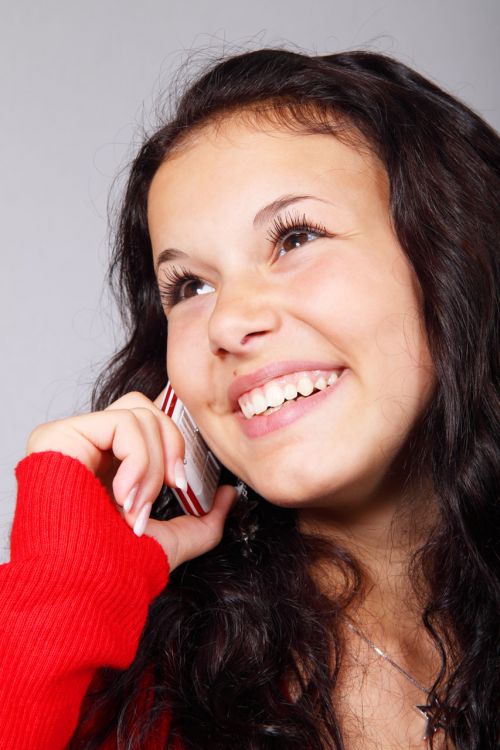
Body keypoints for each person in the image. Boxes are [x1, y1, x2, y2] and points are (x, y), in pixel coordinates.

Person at [0, 48, 498, 750]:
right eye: (190, 288)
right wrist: (60, 585)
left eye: (295, 237)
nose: (231, 322)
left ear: (450, 262)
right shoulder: (142, 696)